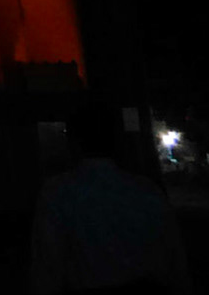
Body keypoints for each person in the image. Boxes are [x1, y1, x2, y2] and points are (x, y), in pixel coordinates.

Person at [30, 104, 191, 294]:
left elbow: (48, 262)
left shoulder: (57, 193)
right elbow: (172, 253)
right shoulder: (145, 189)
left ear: (74, 142)